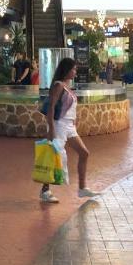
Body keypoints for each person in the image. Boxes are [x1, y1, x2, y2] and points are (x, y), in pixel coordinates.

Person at [41, 57, 100, 204]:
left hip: (69, 126)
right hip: (59, 125)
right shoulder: (59, 85)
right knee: (54, 157)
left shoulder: (67, 86)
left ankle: (82, 188)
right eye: (73, 69)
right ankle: (45, 190)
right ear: (66, 70)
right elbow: (51, 107)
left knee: (84, 153)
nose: (75, 71)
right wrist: (51, 129)